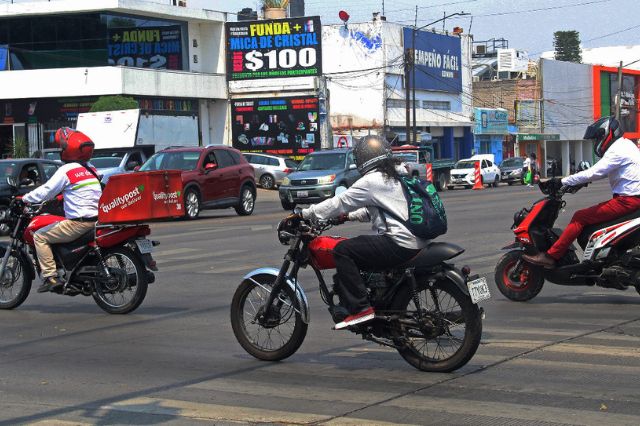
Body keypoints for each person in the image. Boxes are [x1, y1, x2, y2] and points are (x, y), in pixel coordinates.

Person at [296, 136, 429, 329]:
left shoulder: (372, 180)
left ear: (365, 158)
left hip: (399, 242)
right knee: (362, 251)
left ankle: (360, 309)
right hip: (417, 239)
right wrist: (348, 217)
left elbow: (339, 203)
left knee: (342, 250)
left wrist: (306, 213)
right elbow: (380, 210)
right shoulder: (398, 174)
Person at [523, 116, 640, 268]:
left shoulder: (617, 150)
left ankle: (551, 256)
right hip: (629, 199)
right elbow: (601, 172)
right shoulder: (625, 146)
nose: (596, 143)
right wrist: (579, 180)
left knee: (580, 217)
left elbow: (595, 172)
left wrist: (562, 181)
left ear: (607, 134)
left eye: (597, 138)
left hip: (627, 201)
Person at [22, 128, 102, 293]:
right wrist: (61, 198)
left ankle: (51, 277)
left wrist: (24, 198)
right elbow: (82, 191)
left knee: (40, 236)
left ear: (69, 149)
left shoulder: (67, 170)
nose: (60, 149)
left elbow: (46, 191)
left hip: (79, 224)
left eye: (62, 147)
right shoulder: (91, 169)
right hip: (98, 221)